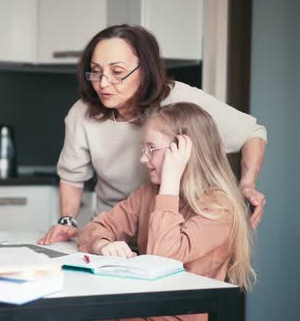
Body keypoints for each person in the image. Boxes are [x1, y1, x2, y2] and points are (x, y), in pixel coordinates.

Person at [38, 24, 267, 245]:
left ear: (145, 70)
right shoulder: (82, 114)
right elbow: (71, 176)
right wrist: (67, 220)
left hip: (176, 233)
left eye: (117, 72)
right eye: (96, 72)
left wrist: (247, 184)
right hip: (115, 228)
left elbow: (251, 133)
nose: (103, 83)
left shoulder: (180, 101)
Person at [77, 102, 255, 321]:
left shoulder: (220, 208)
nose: (143, 158)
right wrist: (102, 245)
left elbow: (163, 259)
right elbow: (92, 229)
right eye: (143, 149)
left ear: (182, 152)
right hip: (138, 309)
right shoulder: (148, 194)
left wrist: (170, 182)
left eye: (151, 149)